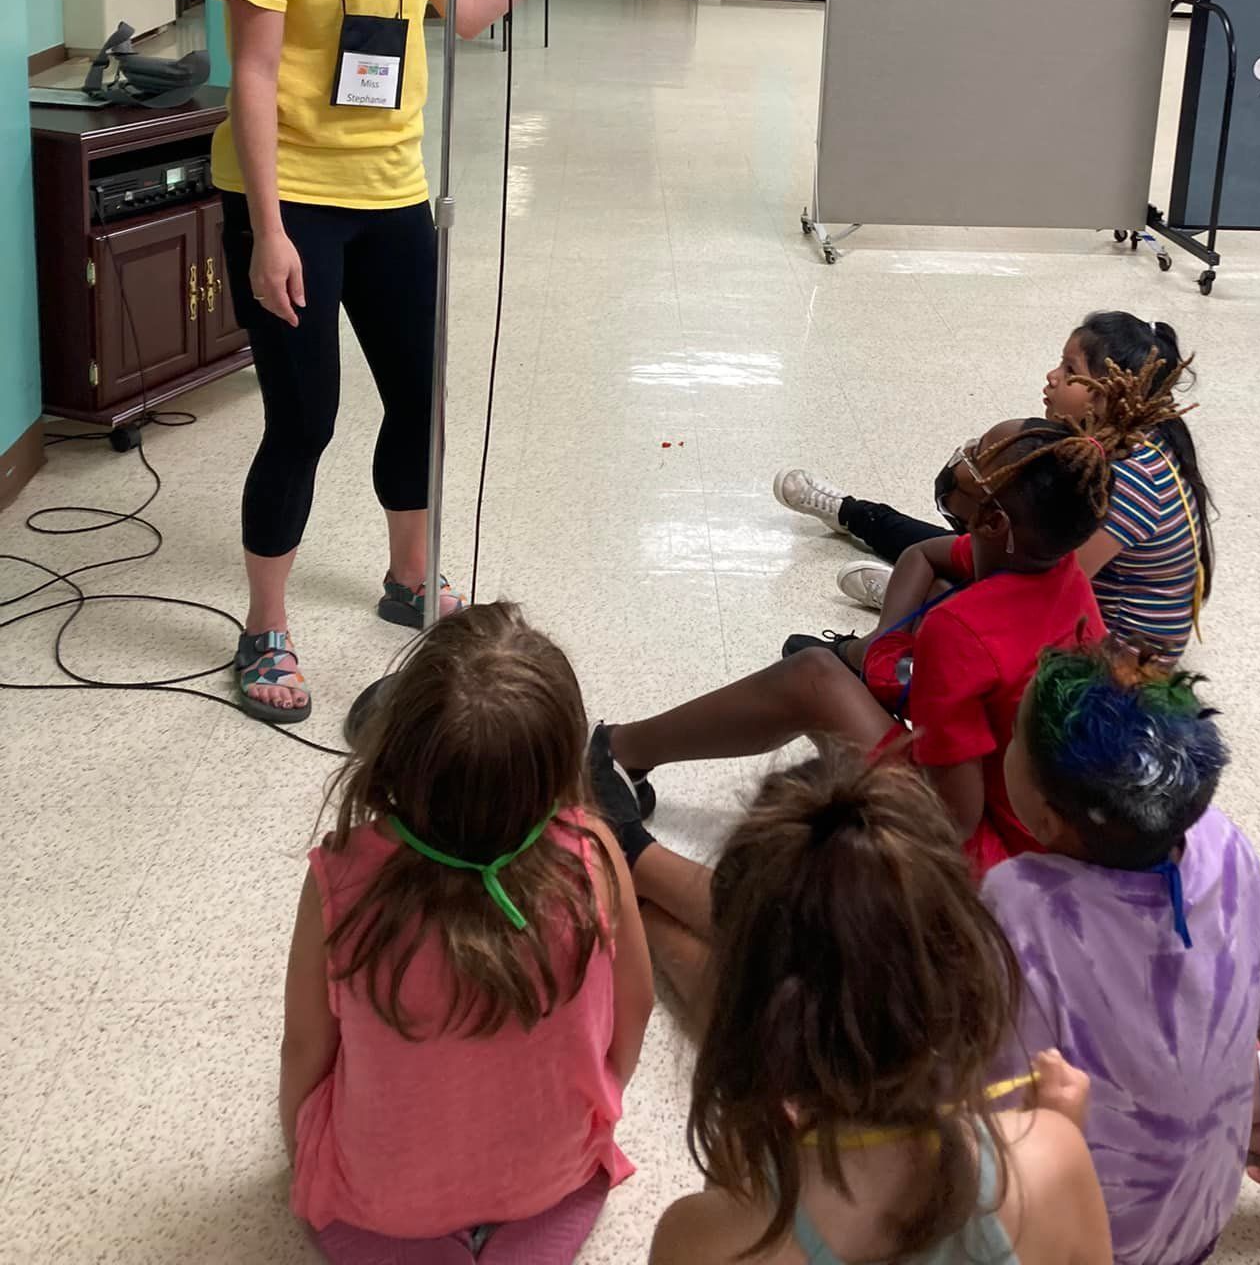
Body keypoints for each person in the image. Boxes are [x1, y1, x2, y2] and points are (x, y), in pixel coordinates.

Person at [208, 0, 622, 722]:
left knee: (418, 397)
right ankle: (265, 630)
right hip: (290, 193)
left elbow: (467, 11)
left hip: (394, 189)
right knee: (304, 418)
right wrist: (265, 227)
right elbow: (251, 72)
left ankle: (407, 578)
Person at [594, 359, 1176, 877]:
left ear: (995, 522)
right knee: (840, 668)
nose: (965, 459)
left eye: (977, 458)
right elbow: (925, 554)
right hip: (1050, 827)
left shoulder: (961, 632)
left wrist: (887, 689)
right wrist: (883, 644)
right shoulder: (1062, 573)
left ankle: (615, 755)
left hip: (989, 864)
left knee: (815, 676)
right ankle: (646, 748)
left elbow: (957, 815)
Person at [986, 644, 1260, 1265]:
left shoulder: (1018, 906)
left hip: (1088, 1242)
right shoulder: (1223, 844)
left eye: (1012, 747)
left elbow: (998, 1119)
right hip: (1200, 1227)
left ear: (1050, 822)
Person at [280, 602, 652, 1262]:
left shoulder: (339, 877)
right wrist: (593, 1121)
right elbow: (637, 1008)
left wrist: (303, 1162)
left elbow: (305, 1049)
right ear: (560, 766)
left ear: (396, 752)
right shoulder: (593, 852)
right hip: (551, 1187)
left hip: (379, 1210)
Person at [648, 750, 1114, 1265]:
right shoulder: (1051, 1162)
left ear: (747, 1023)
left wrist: (749, 1162)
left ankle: (636, 893)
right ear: (968, 980)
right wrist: (1055, 1131)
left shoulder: (701, 1241)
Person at [774, 312, 1212, 659]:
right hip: (1079, 600)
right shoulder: (1129, 439)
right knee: (947, 547)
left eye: (1069, 368)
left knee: (955, 582)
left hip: (1106, 661)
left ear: (1105, 393)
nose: (1052, 376)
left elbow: (1046, 589)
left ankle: (900, 608)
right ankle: (849, 514)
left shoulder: (1129, 481)